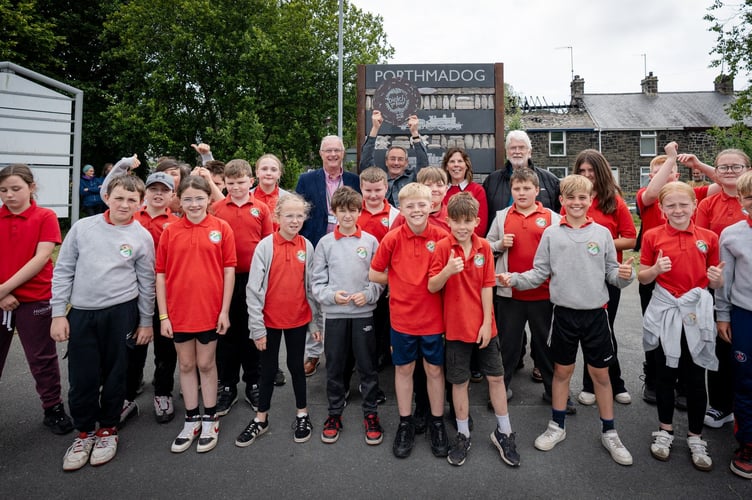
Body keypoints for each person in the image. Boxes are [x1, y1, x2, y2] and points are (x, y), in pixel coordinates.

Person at [498, 174, 635, 466]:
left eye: (582, 198)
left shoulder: (602, 234)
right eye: (570, 198)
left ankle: (610, 431)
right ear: (561, 200)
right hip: (562, 314)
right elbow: (539, 273)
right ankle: (556, 425)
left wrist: (625, 276)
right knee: (561, 372)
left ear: (590, 200)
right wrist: (515, 279)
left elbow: (612, 274)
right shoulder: (551, 234)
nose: (576, 203)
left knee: (601, 375)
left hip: (596, 315)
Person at [51, 175, 155, 471]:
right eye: (119, 197)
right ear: (106, 196)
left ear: (141, 203)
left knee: (116, 373)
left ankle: (108, 428)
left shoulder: (141, 236)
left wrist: (146, 322)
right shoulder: (83, 228)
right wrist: (58, 313)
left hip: (121, 313)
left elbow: (147, 283)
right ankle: (84, 432)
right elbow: (63, 270)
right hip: (83, 312)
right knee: (82, 376)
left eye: (132, 200)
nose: (124, 204)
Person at [428, 192, 520, 468]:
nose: (462, 227)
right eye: (456, 221)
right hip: (455, 329)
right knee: (460, 382)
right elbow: (432, 285)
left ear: (477, 222)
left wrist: (486, 323)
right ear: (448, 221)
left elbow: (487, 286)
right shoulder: (442, 248)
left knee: (496, 378)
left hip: (484, 327)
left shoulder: (484, 248)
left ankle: (504, 431)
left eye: (467, 221)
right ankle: (463, 434)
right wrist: (447, 271)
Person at [639, 181, 724, 472]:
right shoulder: (652, 236)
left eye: (683, 204)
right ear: (662, 208)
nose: (678, 210)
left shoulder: (708, 237)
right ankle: (665, 430)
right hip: (666, 313)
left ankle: (695, 436)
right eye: (671, 205)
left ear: (694, 206)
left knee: (695, 377)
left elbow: (715, 280)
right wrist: (655, 269)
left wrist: (717, 280)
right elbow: (643, 277)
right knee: (665, 374)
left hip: (695, 314)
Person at [369, 183, 450, 460]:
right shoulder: (392, 238)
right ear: (401, 209)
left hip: (434, 318)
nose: (416, 210)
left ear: (431, 206)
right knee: (404, 369)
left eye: (421, 204)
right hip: (402, 318)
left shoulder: (441, 237)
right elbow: (374, 273)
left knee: (434, 370)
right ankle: (405, 423)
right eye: (410, 206)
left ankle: (436, 423)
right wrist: (398, 279)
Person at [156, 176, 236, 454]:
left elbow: (228, 270)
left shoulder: (221, 228)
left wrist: (224, 311)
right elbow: (161, 274)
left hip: (209, 310)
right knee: (187, 364)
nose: (193, 204)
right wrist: (163, 316)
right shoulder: (170, 231)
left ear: (209, 199)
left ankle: (210, 418)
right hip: (179, 312)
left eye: (199, 198)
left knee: (206, 364)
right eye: (188, 199)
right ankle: (191, 419)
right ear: (179, 200)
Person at [235, 194, 323, 447]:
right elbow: (253, 290)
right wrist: (257, 329)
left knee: (296, 367)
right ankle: (261, 418)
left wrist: (314, 323)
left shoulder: (307, 246)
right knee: (268, 369)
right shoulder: (265, 246)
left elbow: (310, 288)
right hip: (269, 322)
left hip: (297, 319)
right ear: (277, 217)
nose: (294, 220)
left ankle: (302, 414)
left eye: (299, 216)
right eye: (289, 215)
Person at [636, 143, 719, 405]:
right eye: (656, 172)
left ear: (677, 175)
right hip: (656, 277)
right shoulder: (647, 195)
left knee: (689, 333)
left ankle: (685, 385)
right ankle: (655, 380)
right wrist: (671, 159)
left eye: (669, 170)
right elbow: (653, 192)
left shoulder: (688, 194)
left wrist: (699, 165)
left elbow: (726, 184)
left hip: (690, 279)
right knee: (657, 333)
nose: (677, 209)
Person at [486, 168, 574, 413]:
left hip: (543, 295)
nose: (521, 193)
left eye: (527, 188)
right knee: (508, 346)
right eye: (517, 188)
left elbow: (564, 251)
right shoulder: (502, 216)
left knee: (545, 347)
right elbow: (486, 246)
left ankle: (554, 392)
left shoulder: (552, 217)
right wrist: (499, 244)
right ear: (511, 190)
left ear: (537, 190)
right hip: (510, 294)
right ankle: (501, 391)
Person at [0, 164, 73, 435]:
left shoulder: (45, 216)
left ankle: (53, 407)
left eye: (15, 188)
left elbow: (42, 257)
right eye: (3, 190)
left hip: (35, 299)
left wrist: (5, 288)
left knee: (42, 358)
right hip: (1, 297)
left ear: (31, 188)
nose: (9, 195)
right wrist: (2, 294)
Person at [311, 187, 385, 445]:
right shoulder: (325, 243)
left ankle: (371, 414)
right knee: (334, 365)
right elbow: (316, 282)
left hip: (363, 314)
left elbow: (379, 278)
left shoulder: (371, 242)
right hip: (335, 315)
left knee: (367, 365)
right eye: (342, 211)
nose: (347, 216)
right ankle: (334, 413)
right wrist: (332, 296)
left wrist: (369, 294)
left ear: (359, 212)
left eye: (352, 210)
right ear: (334, 212)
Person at [570, 149, 636, 407]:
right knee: (587, 332)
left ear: (601, 172)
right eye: (582, 171)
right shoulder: (575, 200)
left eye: (591, 171)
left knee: (605, 331)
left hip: (608, 276)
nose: (587, 175)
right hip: (580, 275)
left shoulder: (614, 201)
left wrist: (598, 243)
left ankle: (614, 382)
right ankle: (591, 385)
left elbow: (630, 239)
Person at [211, 159, 273, 417]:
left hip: (253, 279)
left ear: (251, 181)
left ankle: (254, 382)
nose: (236, 187)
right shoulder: (216, 209)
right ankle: (227, 385)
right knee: (226, 334)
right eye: (231, 183)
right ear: (224, 184)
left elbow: (268, 244)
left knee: (252, 332)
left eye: (240, 182)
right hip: (224, 280)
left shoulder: (261, 209)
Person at [695, 149, 752, 429]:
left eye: (736, 166)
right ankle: (720, 405)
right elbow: (699, 241)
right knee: (721, 345)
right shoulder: (708, 203)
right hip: (715, 281)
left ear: (747, 169)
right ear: (715, 172)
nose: (729, 171)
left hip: (743, 283)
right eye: (723, 167)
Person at [295, 135, 359, 376]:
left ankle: (345, 354)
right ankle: (313, 352)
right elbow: (299, 212)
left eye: (337, 150)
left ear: (343, 153)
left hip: (348, 247)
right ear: (321, 153)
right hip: (316, 247)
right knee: (315, 299)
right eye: (328, 150)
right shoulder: (306, 179)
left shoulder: (353, 180)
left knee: (343, 297)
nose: (332, 154)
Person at [132, 172, 180, 424]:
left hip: (165, 294)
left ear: (173, 195)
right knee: (134, 345)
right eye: (153, 189)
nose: (158, 194)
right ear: (145, 193)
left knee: (165, 348)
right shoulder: (132, 217)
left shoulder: (176, 223)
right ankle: (128, 391)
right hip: (133, 292)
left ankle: (163, 392)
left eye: (164, 190)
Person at [716, 170, 752, 479]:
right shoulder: (731, 235)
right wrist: (723, 315)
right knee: (745, 381)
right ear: (740, 199)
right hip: (744, 314)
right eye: (750, 197)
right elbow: (724, 283)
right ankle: (747, 443)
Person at [250, 153, 290, 387]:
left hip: (279, 262)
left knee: (274, 317)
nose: (268, 173)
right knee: (255, 314)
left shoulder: (287, 198)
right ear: (256, 172)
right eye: (264, 168)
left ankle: (272, 366)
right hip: (255, 263)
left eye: (273, 169)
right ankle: (257, 365)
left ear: (279, 174)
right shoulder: (247, 196)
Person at [357, 167, 399, 371]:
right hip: (358, 278)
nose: (373, 195)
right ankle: (360, 358)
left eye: (378, 190)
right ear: (361, 189)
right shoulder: (354, 213)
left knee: (382, 320)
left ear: (386, 188)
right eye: (368, 190)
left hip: (384, 279)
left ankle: (381, 356)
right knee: (361, 321)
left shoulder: (395, 215)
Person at [483, 130, 561, 232]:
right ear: (507, 152)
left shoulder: (550, 181)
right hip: (503, 239)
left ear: (529, 152)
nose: (517, 151)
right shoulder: (492, 181)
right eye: (513, 148)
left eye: (521, 147)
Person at [359, 110, 428, 207]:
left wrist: (414, 133)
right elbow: (365, 161)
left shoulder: (413, 178)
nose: (396, 163)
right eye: (392, 159)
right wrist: (375, 128)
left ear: (406, 163)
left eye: (400, 159)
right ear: (386, 162)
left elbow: (423, 163)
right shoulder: (378, 178)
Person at [441, 147, 488, 235]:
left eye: (460, 161)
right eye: (452, 161)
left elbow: (480, 225)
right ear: (447, 167)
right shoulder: (441, 191)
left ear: (466, 165)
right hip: (444, 240)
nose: (456, 165)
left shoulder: (477, 190)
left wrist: (463, 240)